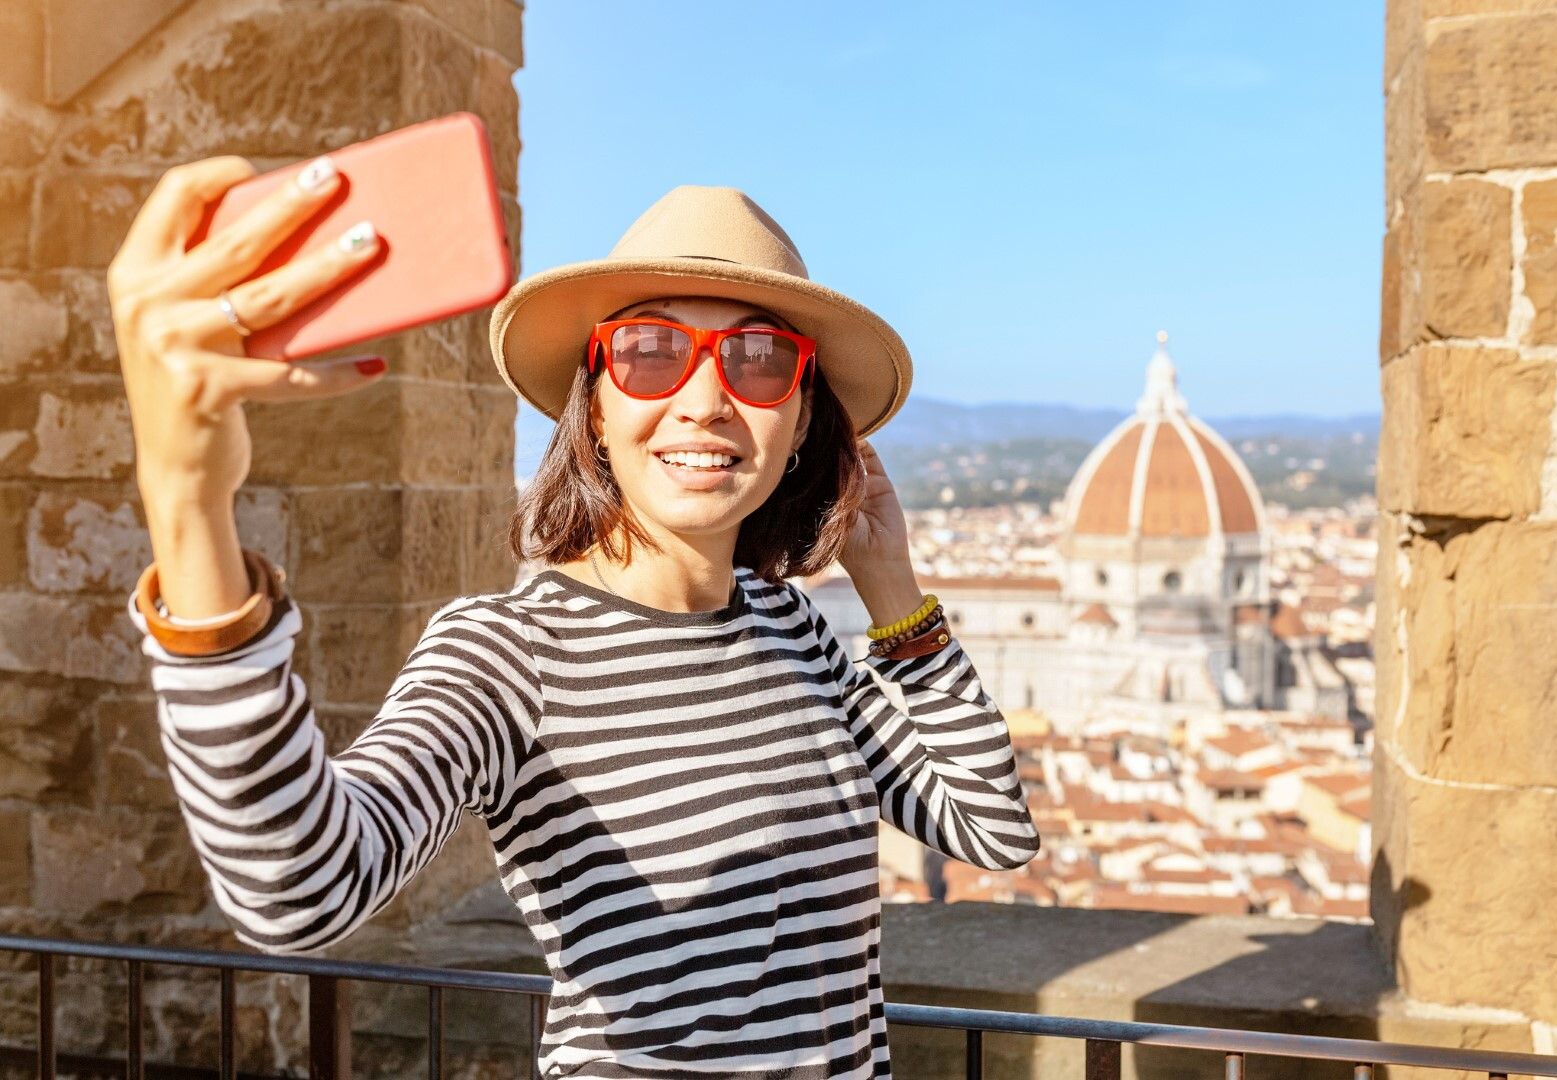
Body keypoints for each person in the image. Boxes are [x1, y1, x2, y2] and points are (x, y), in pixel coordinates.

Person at [111, 156, 1040, 1080]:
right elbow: (298, 892)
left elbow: (989, 829)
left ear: (802, 422)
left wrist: (894, 596)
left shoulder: (791, 629)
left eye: (761, 361)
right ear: (592, 407)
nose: (707, 401)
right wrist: (187, 500)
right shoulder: (513, 655)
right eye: (649, 352)